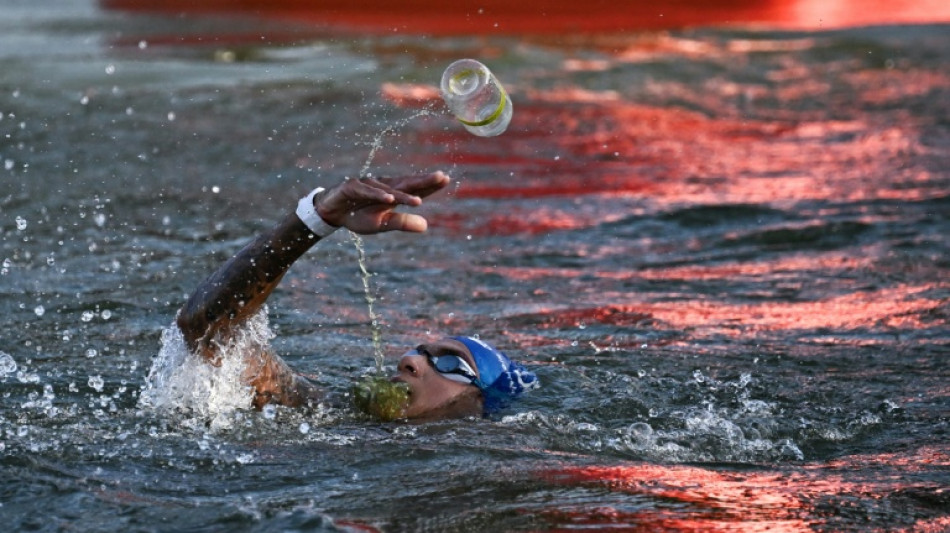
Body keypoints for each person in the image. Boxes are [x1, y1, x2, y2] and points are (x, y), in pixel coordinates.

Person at [176, 171, 537, 420]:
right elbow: (206, 329)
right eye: (420, 352)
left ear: (479, 403)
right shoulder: (326, 414)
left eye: (451, 364)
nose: (409, 363)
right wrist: (315, 221)